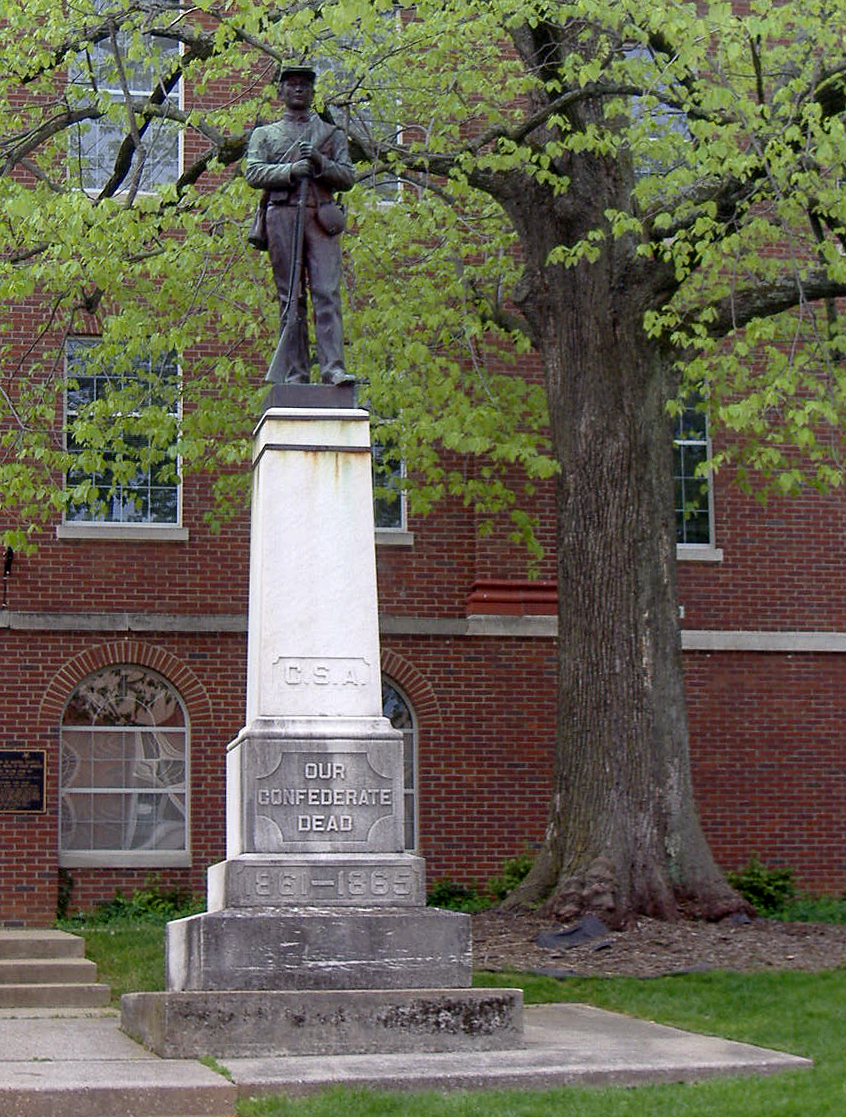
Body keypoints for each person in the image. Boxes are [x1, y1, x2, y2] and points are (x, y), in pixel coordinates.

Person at [245, 65, 355, 385]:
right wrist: (291, 170)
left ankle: (333, 367)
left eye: (304, 86)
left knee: (326, 292)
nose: (298, 90)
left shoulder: (330, 135)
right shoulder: (264, 135)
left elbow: (347, 177)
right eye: (291, 85)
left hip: (319, 218)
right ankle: (295, 373)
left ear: (312, 93)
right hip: (282, 215)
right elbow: (253, 173)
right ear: (280, 92)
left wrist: (321, 163)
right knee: (290, 297)